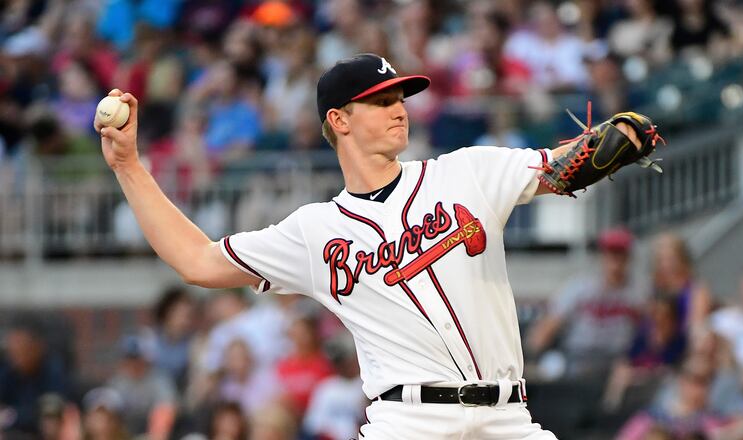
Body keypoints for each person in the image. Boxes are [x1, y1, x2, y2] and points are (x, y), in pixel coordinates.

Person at [95, 53, 657, 439]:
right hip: (406, 422)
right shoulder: (314, 232)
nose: (399, 107)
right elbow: (196, 261)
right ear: (338, 120)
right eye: (380, 98)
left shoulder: (467, 172)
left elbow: (559, 170)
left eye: (401, 95)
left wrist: (608, 144)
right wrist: (128, 166)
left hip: (507, 416)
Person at [527, 227, 644, 379]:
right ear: (602, 256)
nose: (615, 261)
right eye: (611, 253)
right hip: (577, 358)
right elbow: (550, 324)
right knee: (550, 366)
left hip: (617, 361)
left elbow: (649, 331)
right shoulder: (581, 287)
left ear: (628, 257)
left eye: (620, 254)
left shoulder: (637, 292)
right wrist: (530, 355)